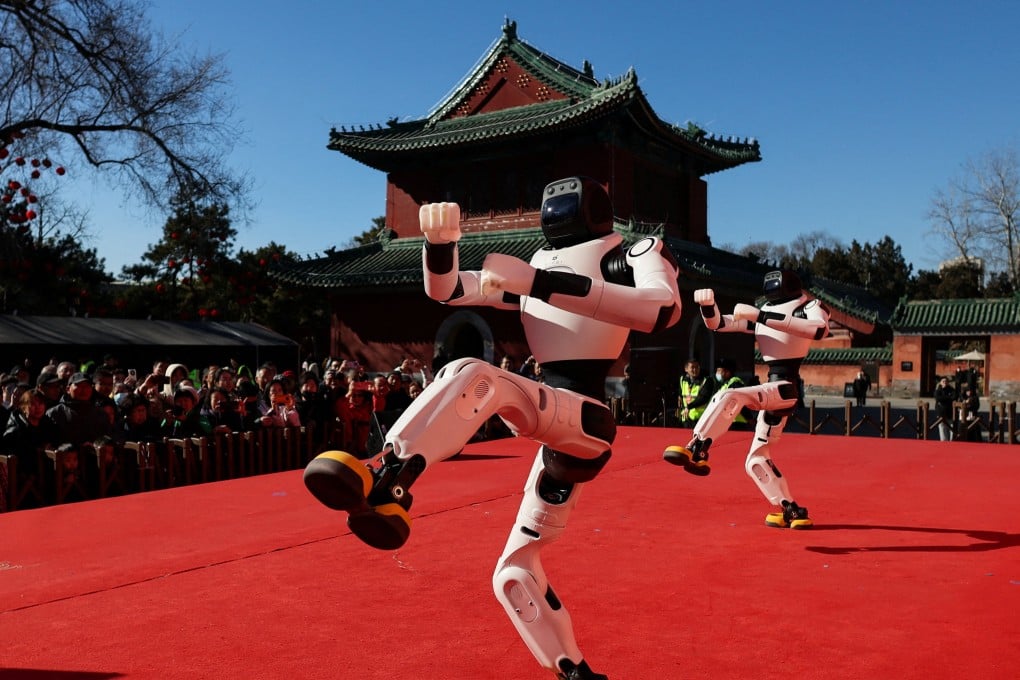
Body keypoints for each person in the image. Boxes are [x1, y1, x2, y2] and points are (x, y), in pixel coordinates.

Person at [304, 176, 682, 680]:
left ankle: (389, 475)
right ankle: (571, 667)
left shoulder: (631, 252)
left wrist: (542, 285)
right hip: (556, 426)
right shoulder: (539, 264)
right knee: (515, 569)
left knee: (475, 375)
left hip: (589, 416)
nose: (555, 205)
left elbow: (663, 308)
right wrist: (440, 248)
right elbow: (450, 291)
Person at [663, 270, 830, 530]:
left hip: (786, 386)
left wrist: (761, 316)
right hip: (774, 387)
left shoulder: (807, 306)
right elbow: (720, 324)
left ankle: (698, 447)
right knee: (756, 459)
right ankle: (792, 510)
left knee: (730, 395)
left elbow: (818, 329)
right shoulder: (763, 312)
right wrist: (708, 306)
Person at [677, 358, 715, 428]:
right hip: (686, 418)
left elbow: (704, 398)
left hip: (701, 419)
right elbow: (680, 395)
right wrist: (679, 410)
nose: (695, 370)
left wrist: (688, 407)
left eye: (697, 367)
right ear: (686, 369)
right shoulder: (682, 379)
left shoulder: (707, 381)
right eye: (692, 367)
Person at [713, 358, 750, 428]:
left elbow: (740, 402)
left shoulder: (735, 384)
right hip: (729, 421)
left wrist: (749, 418)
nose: (717, 373)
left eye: (720, 371)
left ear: (728, 372)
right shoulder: (725, 385)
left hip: (737, 422)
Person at [933, 376, 957, 442]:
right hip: (940, 412)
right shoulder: (938, 390)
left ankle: (952, 442)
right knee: (942, 428)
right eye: (943, 381)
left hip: (950, 412)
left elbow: (954, 397)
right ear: (940, 383)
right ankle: (944, 442)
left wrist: (943, 399)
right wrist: (948, 398)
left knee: (951, 428)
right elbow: (937, 398)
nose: (945, 383)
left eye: (946, 381)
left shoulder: (952, 390)